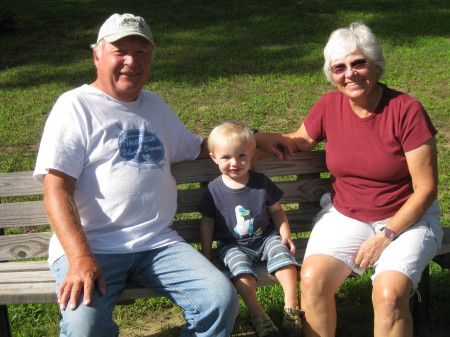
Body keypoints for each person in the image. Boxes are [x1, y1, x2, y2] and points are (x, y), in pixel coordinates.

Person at [32, 13, 287, 337]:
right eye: (119, 51)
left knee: (220, 301)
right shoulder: (75, 106)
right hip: (93, 245)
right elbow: (56, 186)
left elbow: (197, 147)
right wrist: (80, 256)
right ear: (97, 55)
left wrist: (255, 137)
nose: (131, 61)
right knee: (86, 328)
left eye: (141, 52)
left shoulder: (155, 106)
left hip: (156, 243)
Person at [279, 22, 443, 337]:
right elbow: (300, 139)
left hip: (406, 217)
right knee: (312, 278)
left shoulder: (405, 110)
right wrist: (253, 141)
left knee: (390, 296)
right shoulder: (329, 105)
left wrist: (387, 235)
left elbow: (426, 189)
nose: (350, 73)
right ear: (331, 74)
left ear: (376, 65)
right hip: (346, 213)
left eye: (358, 62)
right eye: (339, 67)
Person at [198, 121, 303, 337]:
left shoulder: (260, 182)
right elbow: (207, 221)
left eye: (241, 156)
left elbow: (276, 211)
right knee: (241, 272)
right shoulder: (214, 190)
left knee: (283, 256)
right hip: (233, 245)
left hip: (265, 238)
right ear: (214, 158)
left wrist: (285, 234)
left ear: (251, 154)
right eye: (226, 157)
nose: (234, 162)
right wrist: (207, 254)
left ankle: (291, 307)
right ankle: (259, 316)